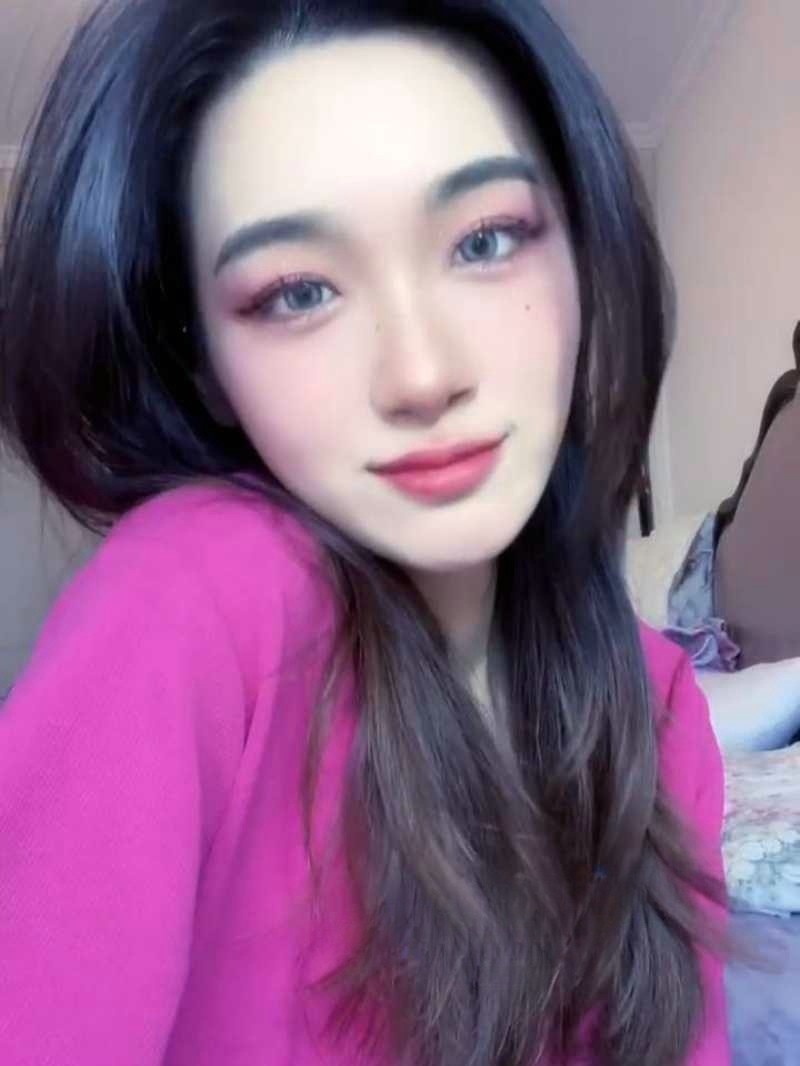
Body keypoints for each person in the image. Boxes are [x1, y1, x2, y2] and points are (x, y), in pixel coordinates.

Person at [0, 1, 732, 1063]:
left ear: (580, 249)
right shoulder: (195, 593)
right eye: (298, 293)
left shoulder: (659, 707)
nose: (422, 375)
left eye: (485, 240)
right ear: (206, 369)